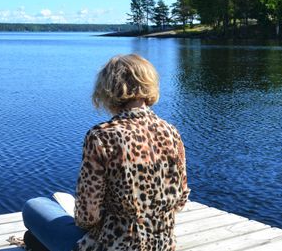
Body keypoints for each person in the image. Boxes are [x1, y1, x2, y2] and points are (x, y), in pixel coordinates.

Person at [22, 54, 190, 251]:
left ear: (108, 88)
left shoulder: (102, 136)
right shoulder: (171, 132)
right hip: (162, 246)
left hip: (109, 246)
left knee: (34, 206)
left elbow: (87, 217)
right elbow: (180, 200)